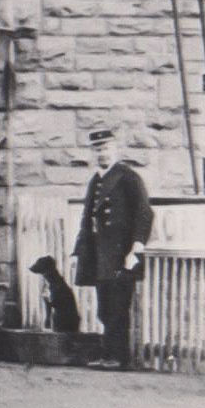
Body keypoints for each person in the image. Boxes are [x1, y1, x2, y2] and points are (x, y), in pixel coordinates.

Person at [72, 125, 153, 370]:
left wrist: (136, 249)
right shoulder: (95, 180)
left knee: (118, 307)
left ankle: (119, 357)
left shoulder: (127, 176)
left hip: (120, 254)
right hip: (99, 255)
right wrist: (79, 250)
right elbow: (87, 218)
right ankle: (108, 355)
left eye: (106, 148)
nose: (102, 154)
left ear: (116, 149)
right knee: (105, 307)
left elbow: (144, 214)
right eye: (97, 150)